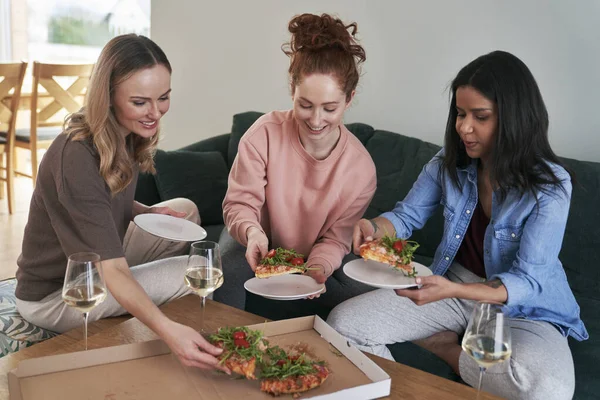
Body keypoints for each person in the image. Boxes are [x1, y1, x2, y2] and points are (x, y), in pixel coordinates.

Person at [327, 51, 588, 399]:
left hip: (525, 308)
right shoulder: (448, 162)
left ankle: (446, 349)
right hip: (452, 285)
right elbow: (406, 217)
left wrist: (450, 292)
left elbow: (527, 281)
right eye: (460, 114)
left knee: (547, 389)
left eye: (480, 117)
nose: (464, 127)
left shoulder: (550, 186)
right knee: (343, 327)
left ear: (515, 119)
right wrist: (374, 227)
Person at [15, 34, 229, 373]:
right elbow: (111, 268)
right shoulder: (76, 156)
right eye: (140, 102)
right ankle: (180, 335)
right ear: (109, 97)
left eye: (164, 98)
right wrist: (169, 332)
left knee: (184, 208)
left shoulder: (122, 133)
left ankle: (138, 301)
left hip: (97, 259)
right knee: (190, 272)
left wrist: (147, 212)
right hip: (57, 292)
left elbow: (104, 201)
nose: (155, 113)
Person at [215, 13, 377, 319]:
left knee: (362, 297)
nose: (316, 121)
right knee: (225, 270)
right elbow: (240, 203)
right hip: (254, 241)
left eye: (329, 108)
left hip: (315, 253)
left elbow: (335, 238)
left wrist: (317, 268)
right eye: (305, 105)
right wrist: (252, 233)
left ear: (349, 99)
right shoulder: (262, 133)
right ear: (292, 90)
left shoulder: (361, 169)